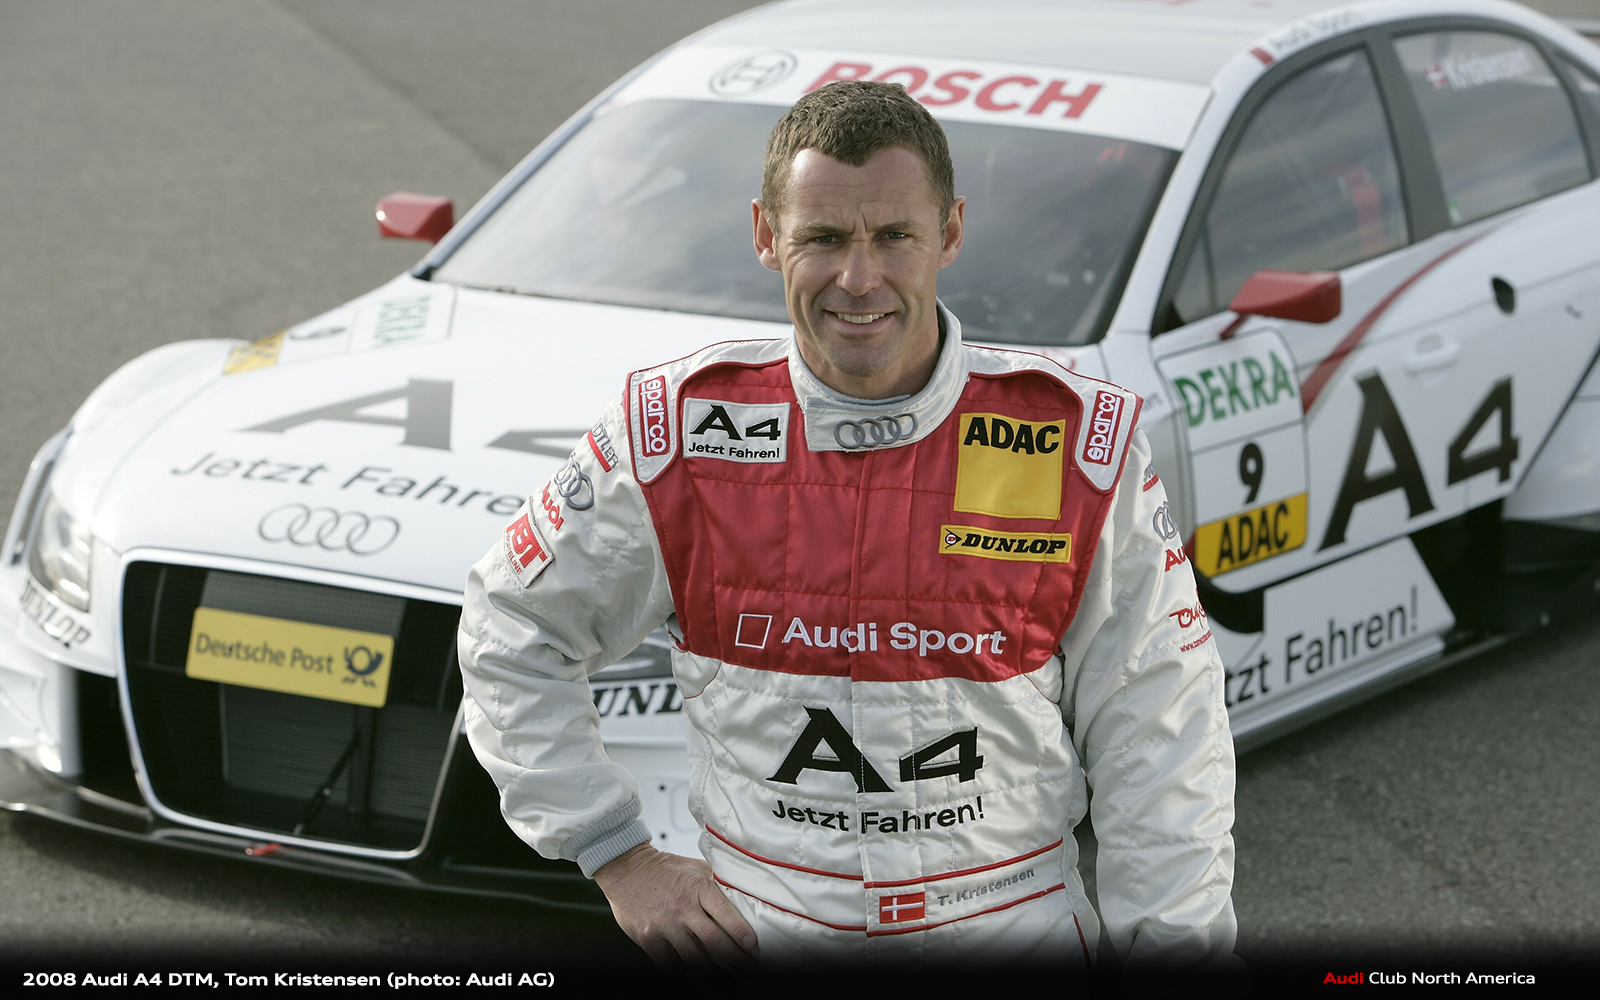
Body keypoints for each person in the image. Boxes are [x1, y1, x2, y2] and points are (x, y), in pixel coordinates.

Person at [458, 80, 1237, 975]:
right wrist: (618, 855)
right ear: (766, 236)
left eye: (894, 235)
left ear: (949, 233)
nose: (859, 278)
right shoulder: (675, 433)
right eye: (823, 238)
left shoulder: (1076, 446)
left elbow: (1162, 738)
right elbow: (509, 628)